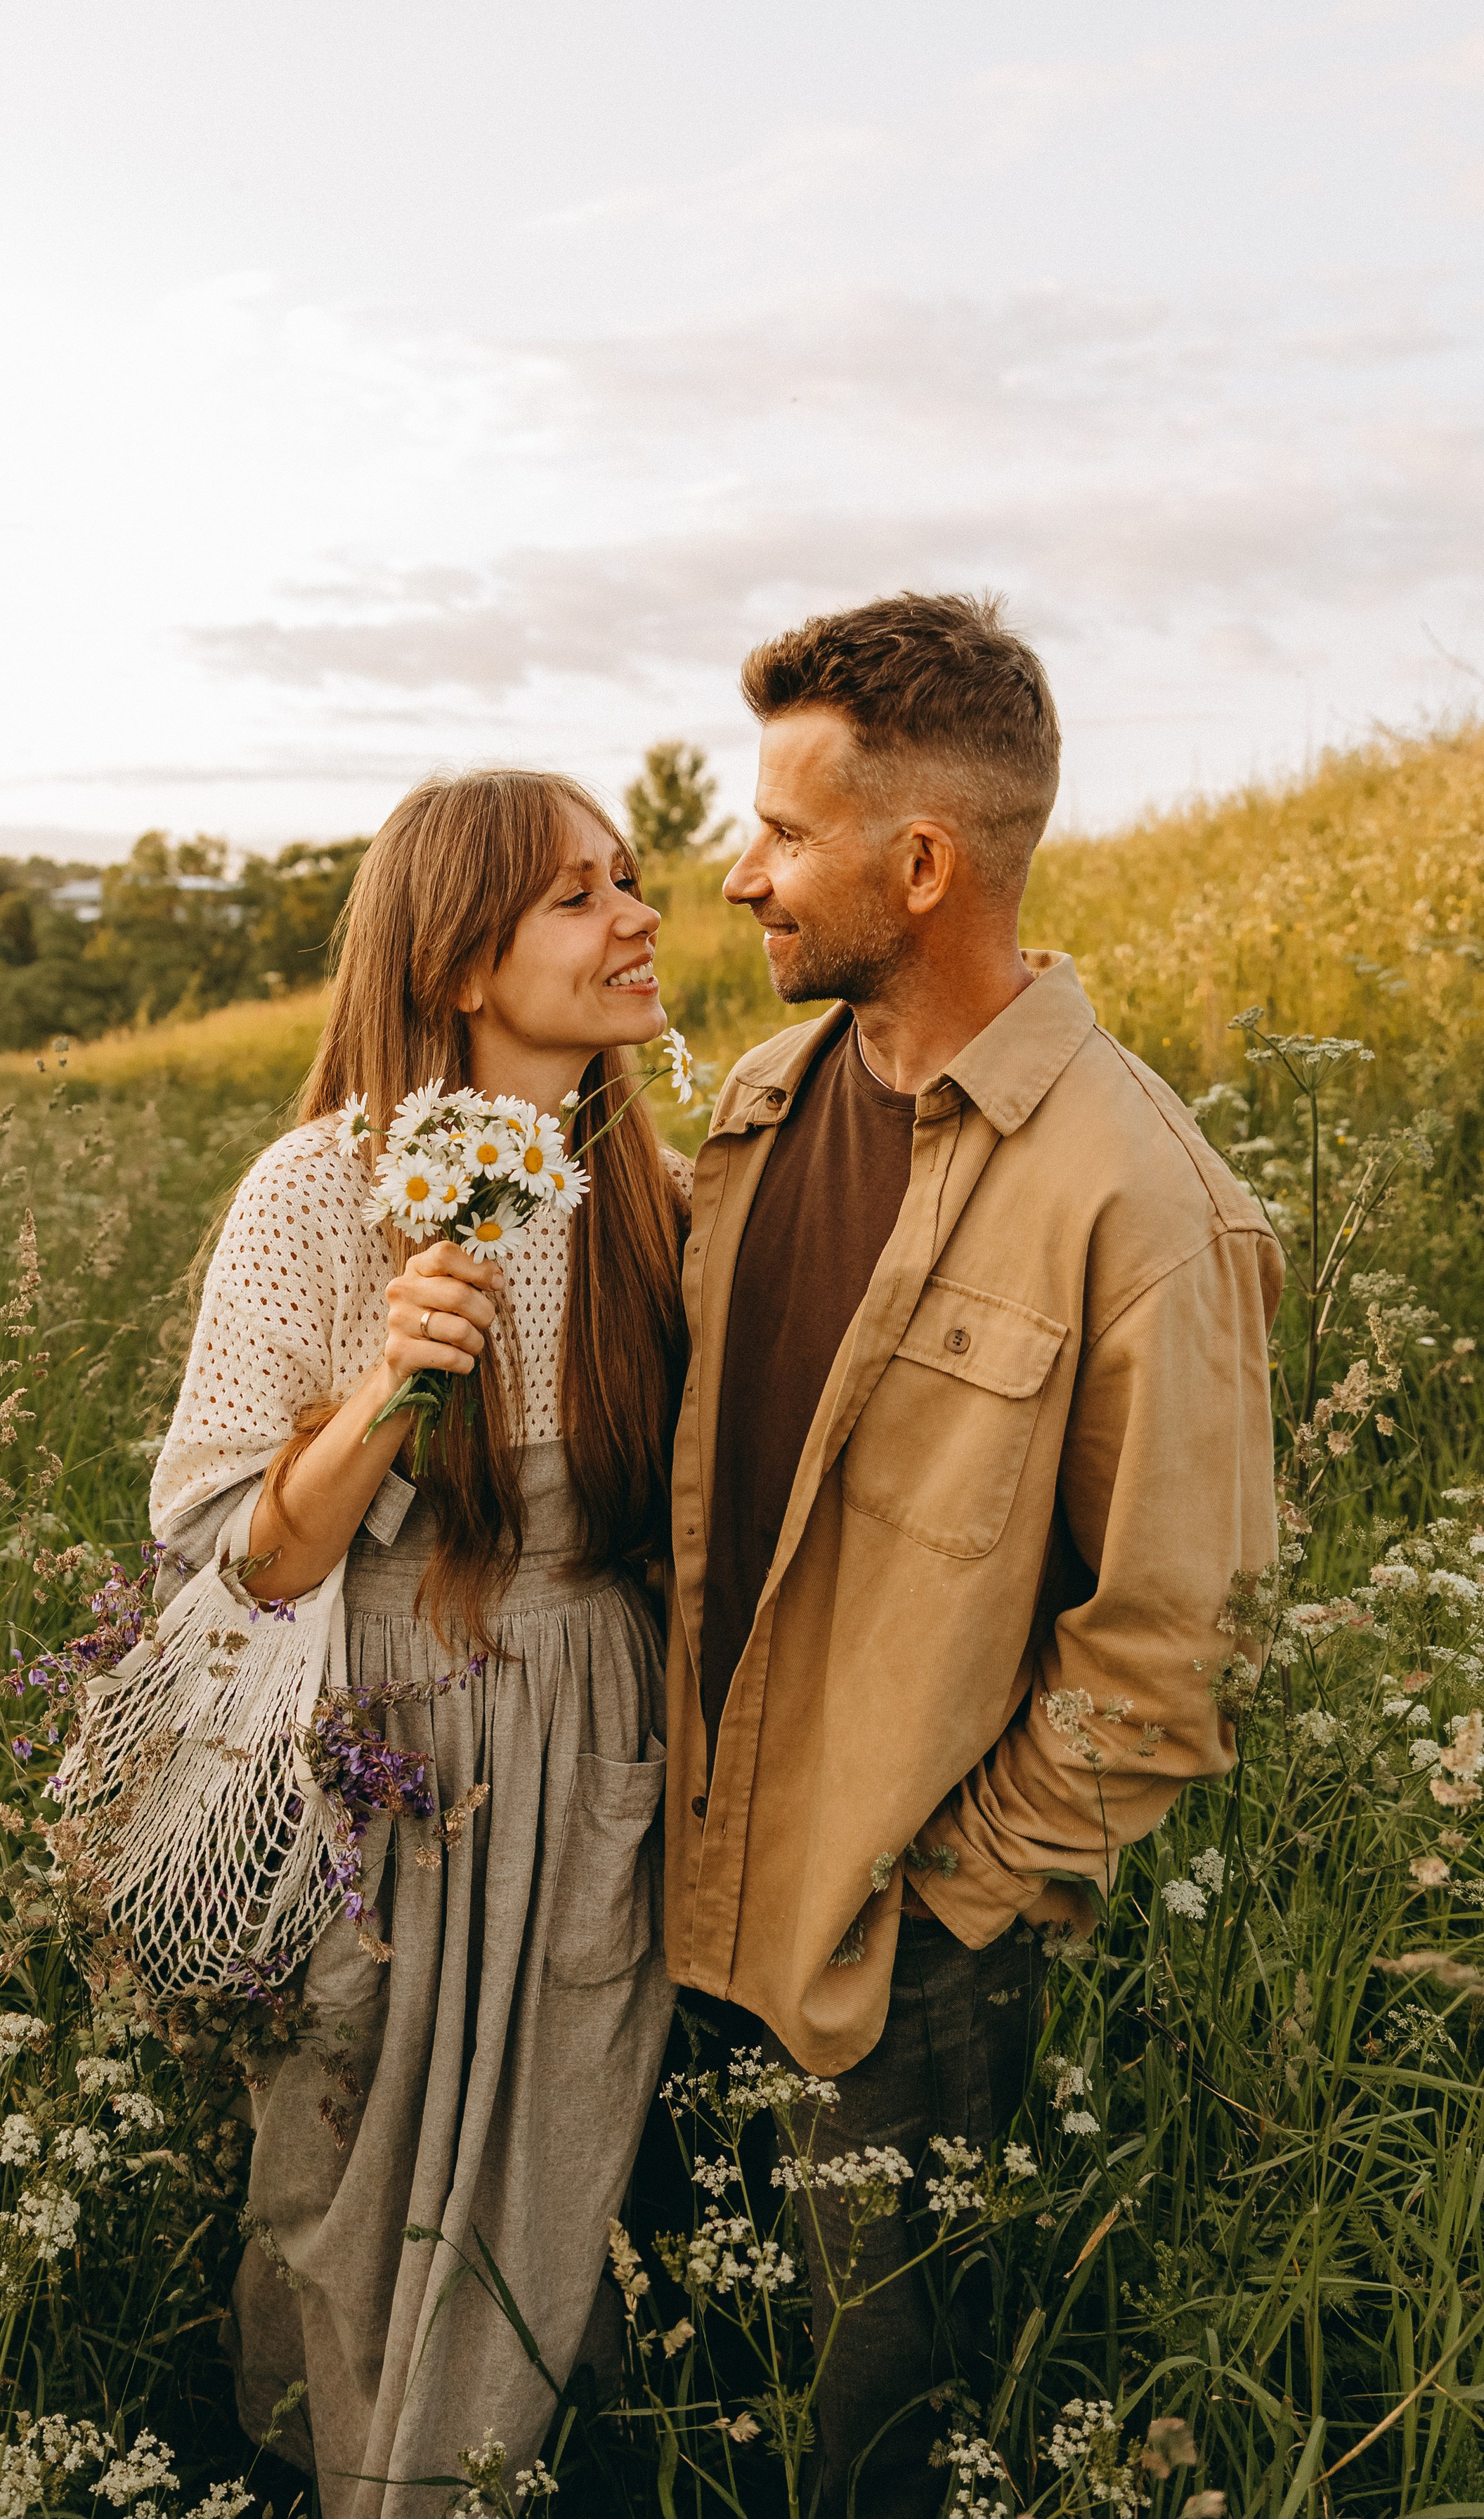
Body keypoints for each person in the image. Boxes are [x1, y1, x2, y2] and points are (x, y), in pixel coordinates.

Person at [665, 594, 1282, 2513]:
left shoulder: (1140, 1196)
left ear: (919, 863)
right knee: (680, 2408)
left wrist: (945, 1902)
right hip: (672, 1893)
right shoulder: (761, 1108)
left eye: (780, 829)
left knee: (862, 2462)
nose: (740, 871)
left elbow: (1176, 1647)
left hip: (898, 1981)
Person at [148, 769, 689, 2518]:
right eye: (576, 898)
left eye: (631, 880)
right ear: (460, 961)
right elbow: (237, 1548)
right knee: (347, 2150)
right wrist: (393, 1377)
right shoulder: (318, 1188)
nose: (636, 920)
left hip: (589, 1727)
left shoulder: (659, 1190)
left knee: (562, 2150)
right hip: (380, 1729)